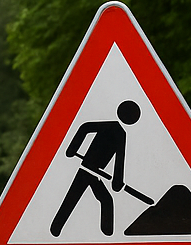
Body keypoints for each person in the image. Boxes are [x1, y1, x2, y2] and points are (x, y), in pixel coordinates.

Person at [50, 100, 141, 237]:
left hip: (93, 173)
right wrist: (72, 149)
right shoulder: (118, 132)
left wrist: (72, 149)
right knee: (79, 199)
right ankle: (55, 230)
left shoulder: (116, 131)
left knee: (95, 200)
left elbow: (119, 159)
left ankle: (107, 235)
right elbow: (85, 128)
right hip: (88, 170)